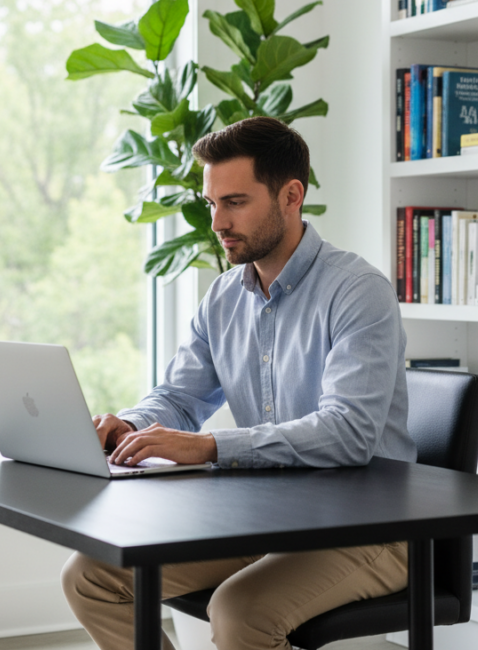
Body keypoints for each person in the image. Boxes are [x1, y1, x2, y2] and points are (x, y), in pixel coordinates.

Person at [61, 116, 417, 650]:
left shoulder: (356, 291)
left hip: (369, 529)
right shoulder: (224, 296)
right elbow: (181, 396)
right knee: (90, 575)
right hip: (266, 518)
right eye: (211, 204)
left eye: (235, 202)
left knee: (238, 610)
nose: (217, 222)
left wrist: (208, 445)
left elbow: (348, 432)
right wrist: (130, 425)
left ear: (291, 196)